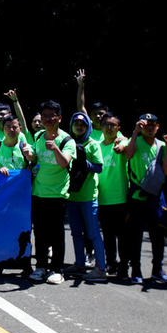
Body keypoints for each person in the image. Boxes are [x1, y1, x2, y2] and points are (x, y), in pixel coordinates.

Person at [121, 112, 167, 284]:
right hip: (137, 196)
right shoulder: (135, 141)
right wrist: (135, 133)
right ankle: (135, 270)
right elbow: (128, 155)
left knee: (158, 235)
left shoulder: (161, 146)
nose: (150, 128)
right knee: (135, 235)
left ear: (157, 127)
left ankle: (157, 269)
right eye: (146, 125)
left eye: (153, 125)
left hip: (156, 197)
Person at [29, 100, 76, 284]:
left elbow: (65, 163)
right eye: (44, 116)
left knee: (57, 234)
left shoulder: (67, 140)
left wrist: (55, 148)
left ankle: (57, 270)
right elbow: (35, 158)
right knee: (39, 232)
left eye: (51, 116)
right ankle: (40, 267)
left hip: (58, 194)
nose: (47, 119)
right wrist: (30, 154)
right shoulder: (39, 136)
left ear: (59, 118)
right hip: (39, 192)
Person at [65, 112, 107, 283]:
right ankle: (80, 263)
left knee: (93, 233)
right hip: (72, 195)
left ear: (87, 126)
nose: (79, 127)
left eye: (82, 124)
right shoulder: (68, 143)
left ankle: (101, 268)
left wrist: (85, 163)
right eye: (76, 124)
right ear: (72, 126)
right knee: (76, 233)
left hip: (89, 196)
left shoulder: (93, 144)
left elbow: (98, 167)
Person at [96, 112, 129, 277]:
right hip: (102, 198)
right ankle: (111, 263)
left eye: (113, 125)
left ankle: (124, 265)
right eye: (106, 125)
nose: (109, 128)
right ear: (100, 127)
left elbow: (125, 145)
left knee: (123, 236)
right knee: (107, 235)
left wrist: (121, 144)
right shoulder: (97, 146)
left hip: (121, 198)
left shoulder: (123, 141)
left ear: (118, 128)